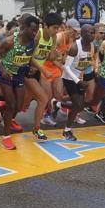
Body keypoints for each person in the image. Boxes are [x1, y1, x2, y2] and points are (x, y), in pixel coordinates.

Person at [0, 15, 39, 150]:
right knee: (11, 105)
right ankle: (6, 138)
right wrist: (2, 69)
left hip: (19, 76)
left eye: (36, 30)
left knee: (19, 106)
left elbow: (27, 56)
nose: (35, 33)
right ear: (24, 28)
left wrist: (30, 67)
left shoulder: (32, 42)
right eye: (32, 30)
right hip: (6, 75)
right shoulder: (10, 41)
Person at [23, 12, 62, 140]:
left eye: (58, 28)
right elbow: (28, 56)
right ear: (45, 25)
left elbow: (49, 57)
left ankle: (37, 128)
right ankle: (0, 107)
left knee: (35, 100)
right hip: (27, 70)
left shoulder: (54, 38)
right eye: (54, 28)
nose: (56, 31)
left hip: (37, 72)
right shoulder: (37, 34)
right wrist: (43, 70)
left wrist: (57, 55)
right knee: (43, 98)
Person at [61, 24, 95, 141]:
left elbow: (86, 63)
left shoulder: (91, 46)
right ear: (83, 34)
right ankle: (67, 130)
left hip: (80, 78)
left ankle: (58, 104)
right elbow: (66, 67)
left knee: (80, 106)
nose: (93, 35)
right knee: (76, 104)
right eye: (90, 32)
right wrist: (77, 81)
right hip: (69, 78)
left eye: (93, 32)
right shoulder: (75, 47)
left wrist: (84, 78)